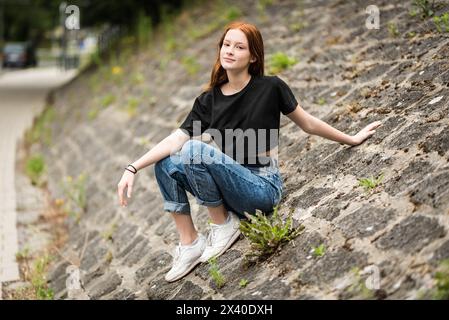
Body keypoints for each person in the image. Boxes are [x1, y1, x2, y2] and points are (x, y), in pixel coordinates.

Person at [117, 21, 381, 282]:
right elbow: (175, 139)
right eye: (226, 44)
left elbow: (308, 123)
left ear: (253, 56)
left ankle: (222, 226)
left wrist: (352, 139)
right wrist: (133, 167)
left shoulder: (270, 87)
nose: (230, 50)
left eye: (239, 47)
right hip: (232, 189)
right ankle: (190, 244)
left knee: (194, 149)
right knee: (165, 163)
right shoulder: (208, 100)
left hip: (262, 186)